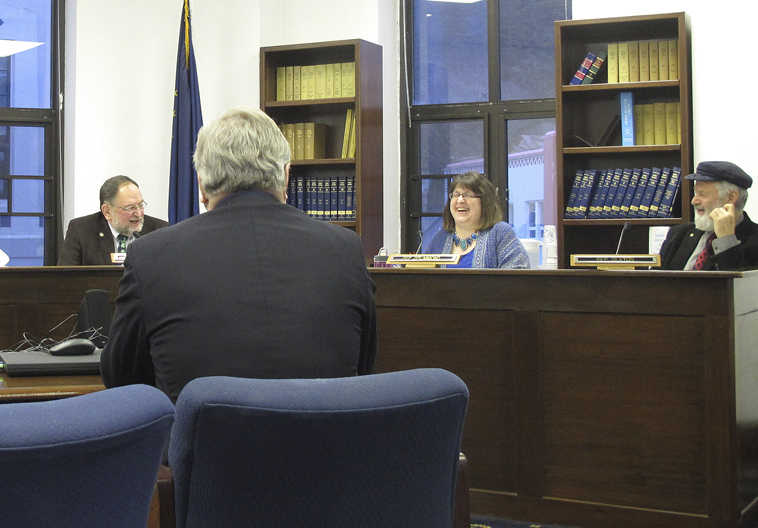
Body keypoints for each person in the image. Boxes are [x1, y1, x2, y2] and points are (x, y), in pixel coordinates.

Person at [101, 107, 376, 402]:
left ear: (202, 186)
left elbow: (121, 377)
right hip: (325, 444)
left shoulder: (150, 256)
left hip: (202, 445)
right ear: (286, 176)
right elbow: (364, 364)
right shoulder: (345, 249)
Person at [660, 161, 758, 270]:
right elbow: (655, 281)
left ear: (731, 197)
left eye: (702, 194)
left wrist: (726, 239)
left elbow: (737, 284)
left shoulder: (754, 238)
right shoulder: (679, 233)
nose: (694, 201)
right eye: (695, 193)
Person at [426, 171, 529, 269]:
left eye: (467, 195)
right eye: (456, 195)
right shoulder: (440, 238)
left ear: (484, 201)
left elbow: (518, 276)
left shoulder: (500, 233)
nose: (460, 200)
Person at [58, 175, 168, 265]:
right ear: (107, 211)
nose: (139, 214)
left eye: (140, 205)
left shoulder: (159, 231)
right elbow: (65, 280)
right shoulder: (81, 230)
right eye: (130, 208)